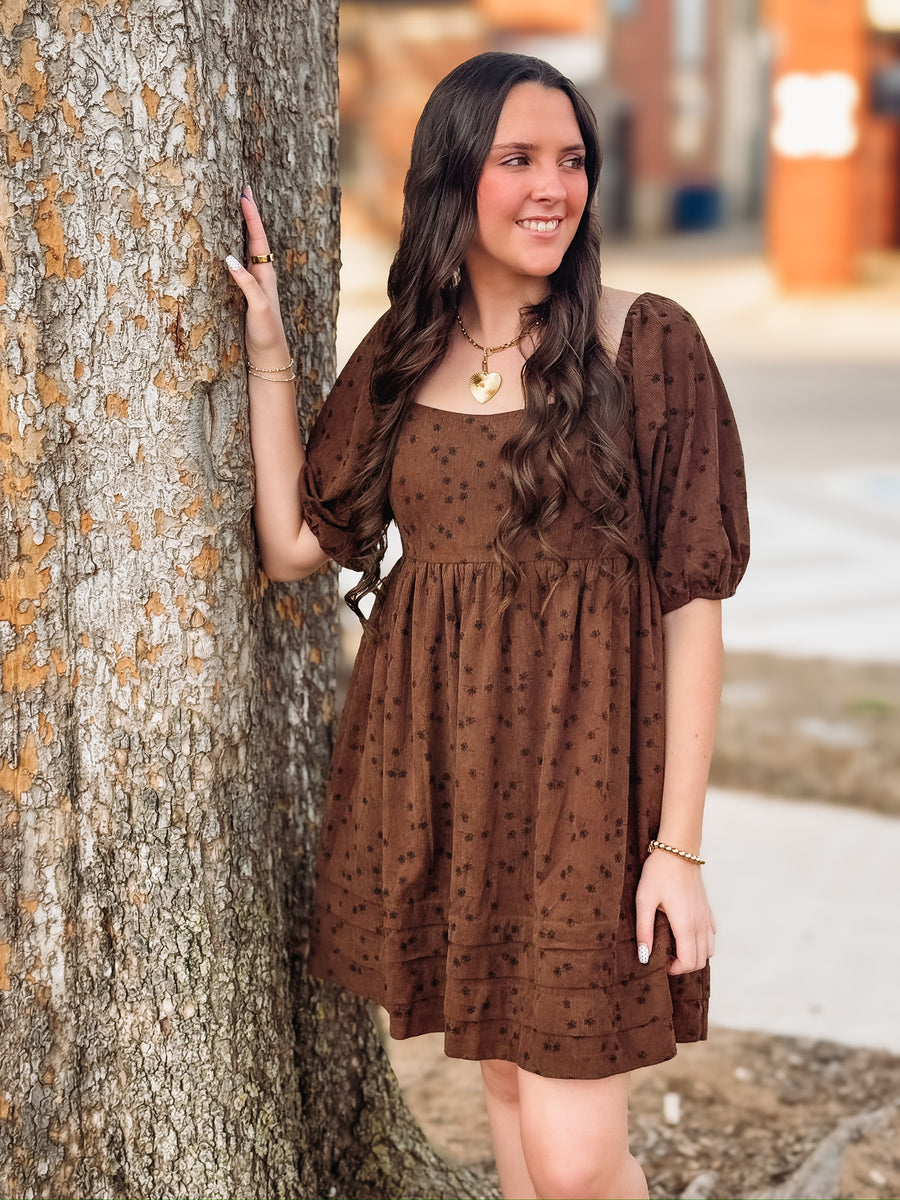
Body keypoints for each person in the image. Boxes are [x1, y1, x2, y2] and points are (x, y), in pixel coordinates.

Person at [227, 51, 749, 1200]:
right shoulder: (404, 354)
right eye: (517, 159)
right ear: (453, 181)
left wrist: (677, 850)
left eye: (571, 160)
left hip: (592, 806)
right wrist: (268, 355)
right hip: (452, 788)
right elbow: (295, 545)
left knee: (572, 1161)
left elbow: (694, 609)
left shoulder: (648, 344)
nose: (551, 187)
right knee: (511, 1093)